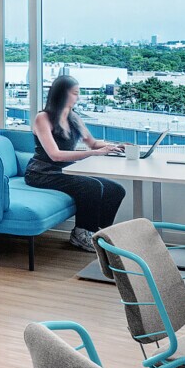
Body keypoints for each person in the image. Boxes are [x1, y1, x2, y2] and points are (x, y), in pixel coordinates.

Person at [25, 74, 128, 251]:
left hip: (65, 172)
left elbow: (93, 143)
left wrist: (113, 146)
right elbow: (55, 155)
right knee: (91, 186)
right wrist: (93, 153)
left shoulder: (74, 117)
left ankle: (99, 234)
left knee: (116, 190)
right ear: (61, 94)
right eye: (74, 93)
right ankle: (80, 235)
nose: (77, 97)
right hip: (42, 173)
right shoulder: (43, 118)